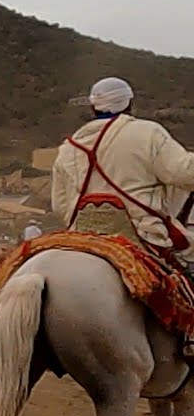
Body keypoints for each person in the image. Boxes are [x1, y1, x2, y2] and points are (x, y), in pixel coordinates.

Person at [52, 77, 194, 352]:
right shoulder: (148, 133)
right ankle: (189, 343)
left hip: (81, 236)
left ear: (92, 107)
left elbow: (60, 206)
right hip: (141, 234)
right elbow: (184, 173)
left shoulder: (69, 147)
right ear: (130, 104)